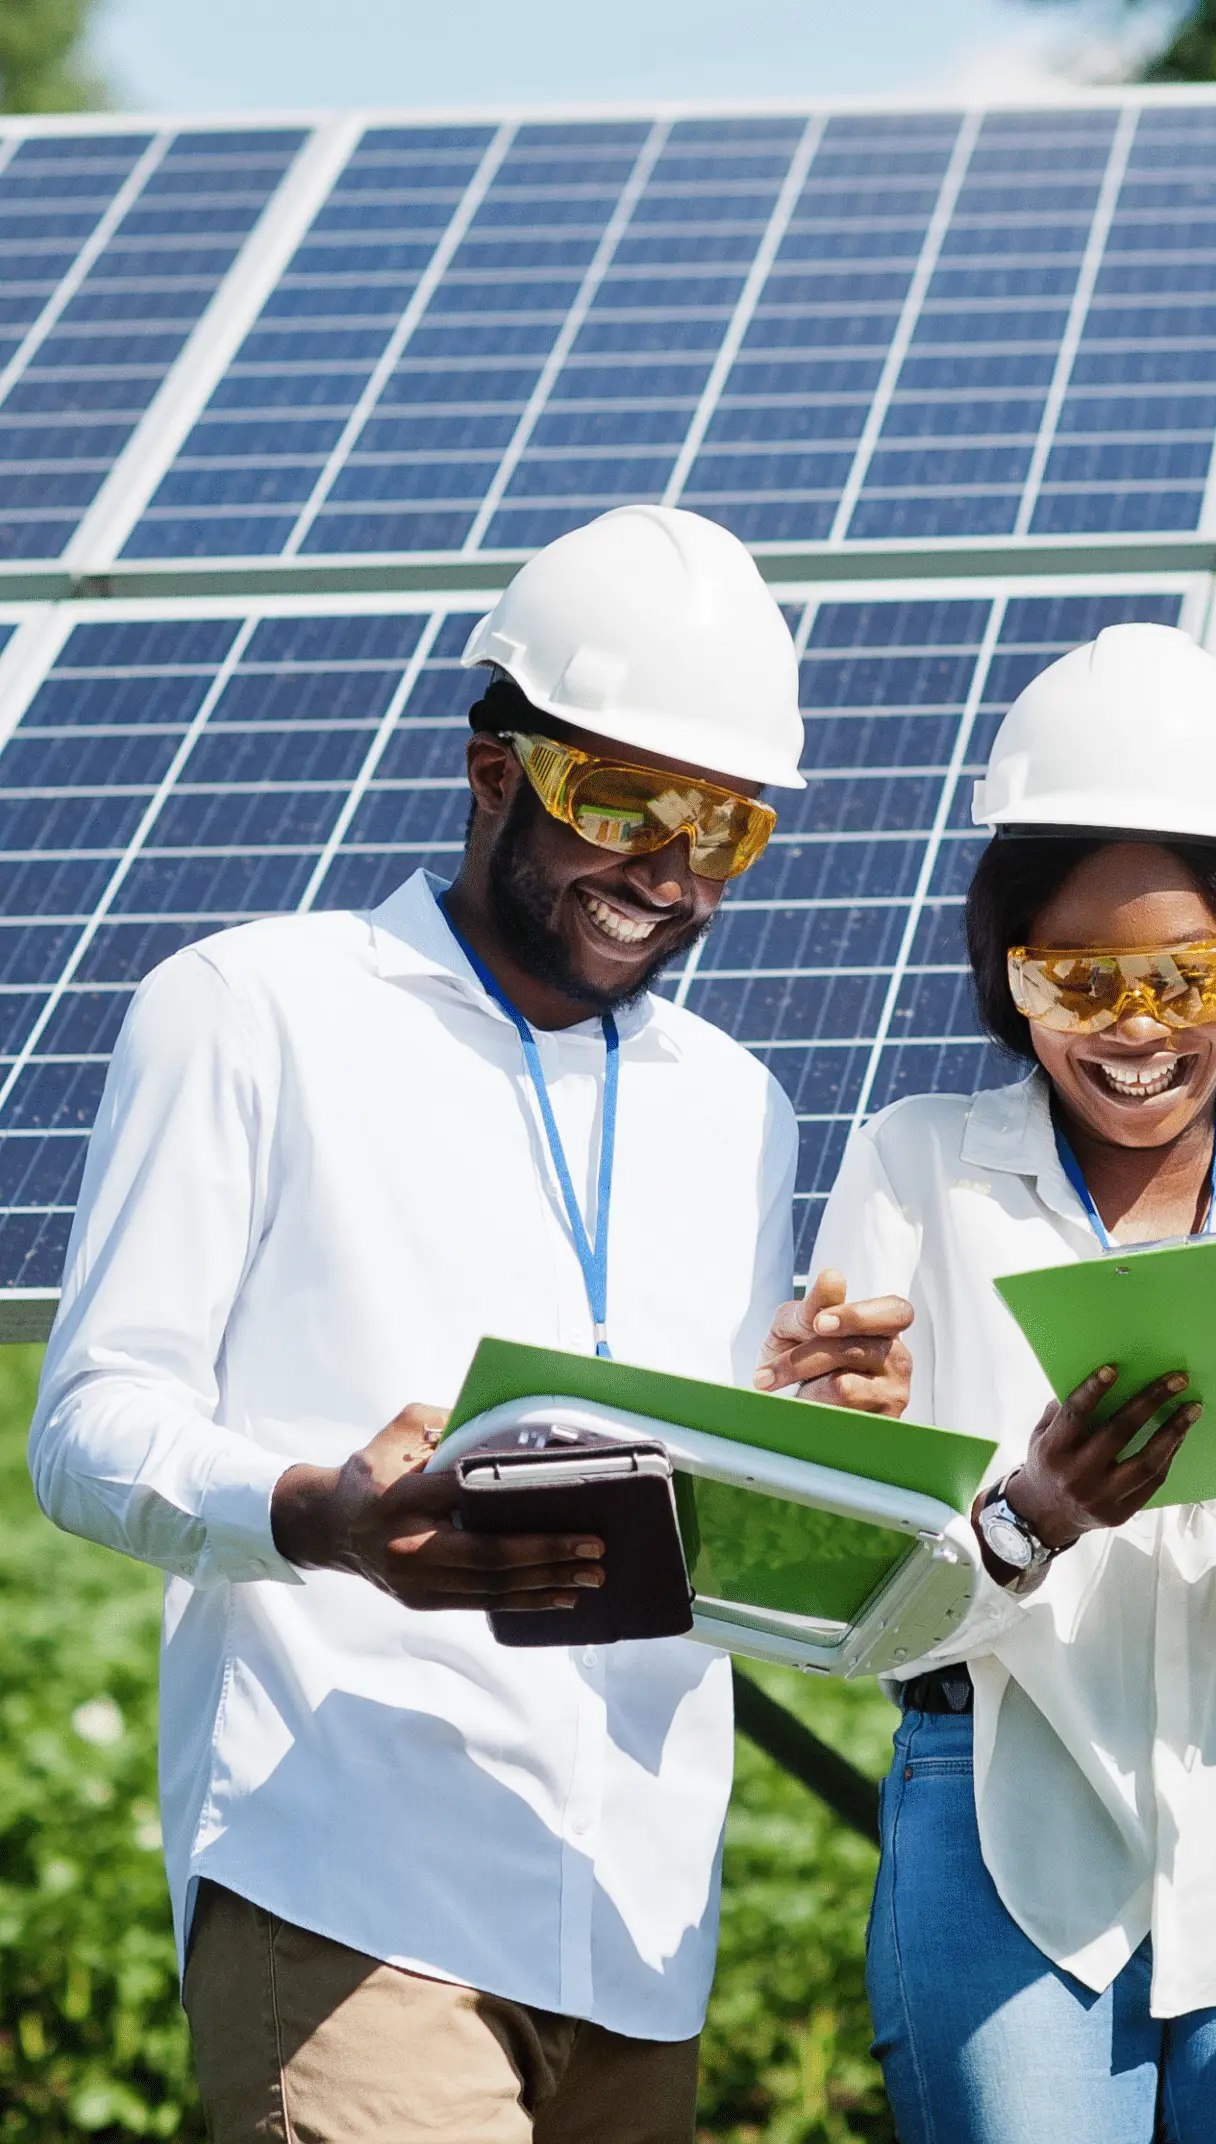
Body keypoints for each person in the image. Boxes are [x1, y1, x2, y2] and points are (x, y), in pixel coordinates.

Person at [29, 505, 889, 2143]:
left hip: (638, 1923)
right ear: (494, 768)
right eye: (620, 800)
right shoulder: (251, 1009)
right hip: (353, 1881)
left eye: (724, 827)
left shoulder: (742, 1107)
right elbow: (89, 1425)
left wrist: (826, 1449)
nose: (669, 869)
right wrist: (317, 1519)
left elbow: (695, 1519)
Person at [757, 622, 1216, 2144]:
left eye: (1187, 973)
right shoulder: (918, 1167)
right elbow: (853, 1608)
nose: (1136, 1029)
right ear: (1009, 978)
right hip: (994, 1818)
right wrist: (1025, 1516)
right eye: (1078, 978)